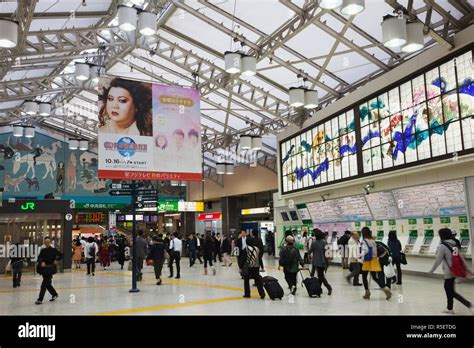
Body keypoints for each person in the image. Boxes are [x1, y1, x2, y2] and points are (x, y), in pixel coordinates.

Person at [429, 228, 473, 314]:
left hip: (448, 271)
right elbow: (460, 258)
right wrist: (468, 269)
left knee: (451, 291)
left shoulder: (442, 246)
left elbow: (438, 259)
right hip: (454, 270)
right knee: (449, 290)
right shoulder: (454, 244)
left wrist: (432, 270)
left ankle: (469, 305)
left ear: (442, 235)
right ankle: (450, 309)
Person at [360, 227, 392, 300]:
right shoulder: (373, 240)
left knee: (364, 276)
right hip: (374, 260)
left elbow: (365, 251)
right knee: (374, 277)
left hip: (367, 260)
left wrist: (360, 256)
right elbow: (375, 252)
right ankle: (385, 289)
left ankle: (367, 292)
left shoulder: (365, 241)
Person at [35, 237, 63, 305]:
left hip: (50, 269)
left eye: (48, 242)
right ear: (44, 243)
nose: (47, 243)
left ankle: (40, 299)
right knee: (47, 284)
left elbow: (61, 255)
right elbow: (39, 258)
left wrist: (56, 260)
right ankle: (54, 294)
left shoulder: (53, 250)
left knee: (44, 284)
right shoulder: (43, 250)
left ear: (50, 242)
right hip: (44, 269)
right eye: (45, 242)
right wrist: (41, 262)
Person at [309, 229, 333, 296]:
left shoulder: (314, 243)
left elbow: (310, 251)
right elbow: (327, 251)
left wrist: (309, 255)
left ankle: (329, 287)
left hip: (317, 262)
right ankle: (318, 290)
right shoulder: (324, 242)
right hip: (324, 262)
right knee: (320, 276)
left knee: (321, 276)